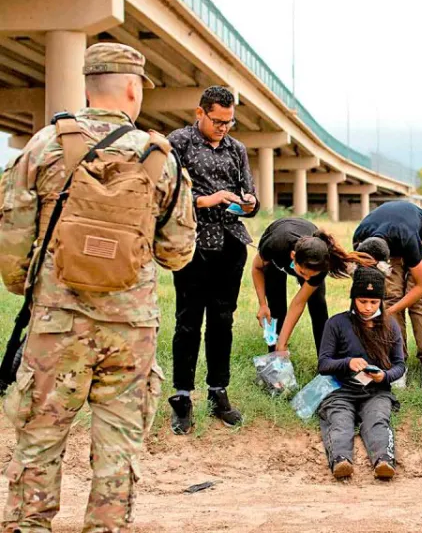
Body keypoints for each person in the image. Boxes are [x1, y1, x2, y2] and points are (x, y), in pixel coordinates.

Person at [0, 42, 196, 532]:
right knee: (118, 450)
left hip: (57, 326)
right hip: (130, 332)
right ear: (132, 88)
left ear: (88, 86)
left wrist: (31, 285)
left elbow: (11, 239)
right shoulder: (160, 158)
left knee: (39, 441)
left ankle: (29, 525)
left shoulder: (44, 145)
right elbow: (177, 253)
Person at [167, 86, 259, 435]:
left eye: (229, 121)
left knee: (223, 321)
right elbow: (168, 195)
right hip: (193, 245)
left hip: (231, 244)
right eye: (218, 121)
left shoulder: (237, 149)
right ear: (200, 112)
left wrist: (249, 202)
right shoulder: (179, 142)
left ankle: (218, 393)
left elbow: (250, 195)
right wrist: (210, 199)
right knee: (188, 322)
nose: (224, 127)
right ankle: (182, 398)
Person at [317, 265, 406, 479]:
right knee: (339, 421)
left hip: (376, 391)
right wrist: (347, 363)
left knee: (377, 419)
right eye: (362, 301)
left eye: (374, 302)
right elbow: (324, 364)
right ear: (353, 298)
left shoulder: (391, 325)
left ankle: (383, 461)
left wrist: (384, 376)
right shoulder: (336, 323)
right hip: (341, 391)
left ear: (381, 302)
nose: (367, 307)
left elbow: (399, 365)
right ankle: (341, 460)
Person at [353, 200, 422, 390]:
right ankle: (398, 362)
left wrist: (389, 311)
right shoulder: (360, 240)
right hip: (386, 237)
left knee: (417, 301)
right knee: (390, 296)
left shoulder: (407, 238)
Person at [252, 217, 374, 354]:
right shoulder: (275, 246)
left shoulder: (320, 265)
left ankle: (325, 358)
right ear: (293, 256)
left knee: (318, 305)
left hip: (307, 247)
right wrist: (263, 304)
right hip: (279, 242)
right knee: (276, 307)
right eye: (303, 274)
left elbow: (298, 303)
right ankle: (275, 355)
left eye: (311, 276)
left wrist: (284, 341)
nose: (306, 279)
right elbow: (257, 268)